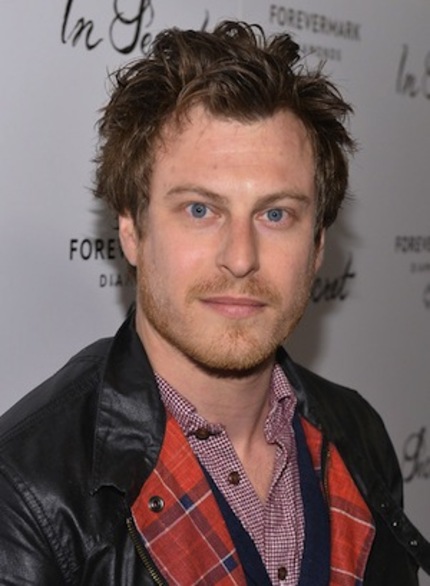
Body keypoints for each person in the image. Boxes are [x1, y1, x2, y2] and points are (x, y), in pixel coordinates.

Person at [0, 20, 428, 586]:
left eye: (276, 214)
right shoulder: (26, 492)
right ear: (131, 230)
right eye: (200, 210)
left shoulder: (358, 434)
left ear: (319, 244)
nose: (241, 258)